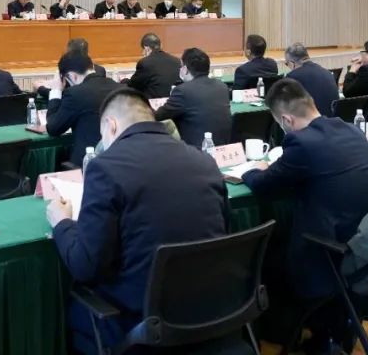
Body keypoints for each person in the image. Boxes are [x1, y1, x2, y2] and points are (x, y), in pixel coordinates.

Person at [47, 88, 229, 354]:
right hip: (211, 312)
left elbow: (85, 265)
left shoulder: (105, 167)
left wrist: (62, 222)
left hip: (140, 324)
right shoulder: (204, 160)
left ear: (110, 125)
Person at [241, 79, 368, 349]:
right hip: (366, 235)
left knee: (264, 256)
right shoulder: (350, 129)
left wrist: (249, 171)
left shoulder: (301, 143)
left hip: (329, 247)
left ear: (286, 119)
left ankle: (289, 332)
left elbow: (262, 185)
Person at [45, 52, 121, 166]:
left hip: (87, 165)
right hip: (119, 161)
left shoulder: (75, 94)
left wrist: (56, 90)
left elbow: (53, 128)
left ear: (72, 76)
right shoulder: (120, 88)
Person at [154, 48, 232, 147]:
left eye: (181, 66)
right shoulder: (222, 86)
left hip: (196, 149)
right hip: (224, 146)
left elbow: (158, 116)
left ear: (185, 69)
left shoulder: (182, 91)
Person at [283, 42, 339, 116]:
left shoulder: (293, 76)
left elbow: (286, 105)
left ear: (291, 63)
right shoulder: (327, 72)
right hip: (333, 120)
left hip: (312, 121)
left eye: (286, 64)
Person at [126, 33, 181, 99]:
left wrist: (124, 81)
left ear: (147, 48)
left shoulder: (145, 62)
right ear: (161, 45)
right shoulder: (177, 61)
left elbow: (133, 84)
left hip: (154, 102)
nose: (142, 53)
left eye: (143, 50)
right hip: (174, 101)